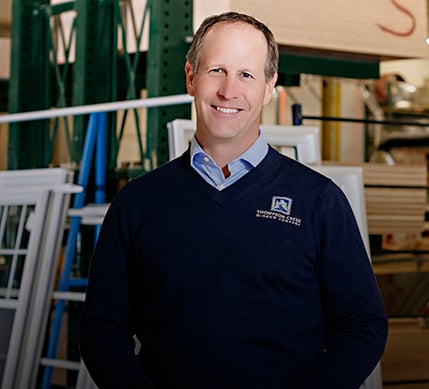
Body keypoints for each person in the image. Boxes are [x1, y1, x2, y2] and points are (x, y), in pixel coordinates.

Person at [79, 11, 388, 389]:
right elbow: (101, 327)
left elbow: (362, 326)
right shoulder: (138, 202)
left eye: (246, 74)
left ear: (268, 86)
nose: (229, 90)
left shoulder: (319, 201)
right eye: (216, 71)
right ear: (191, 77)